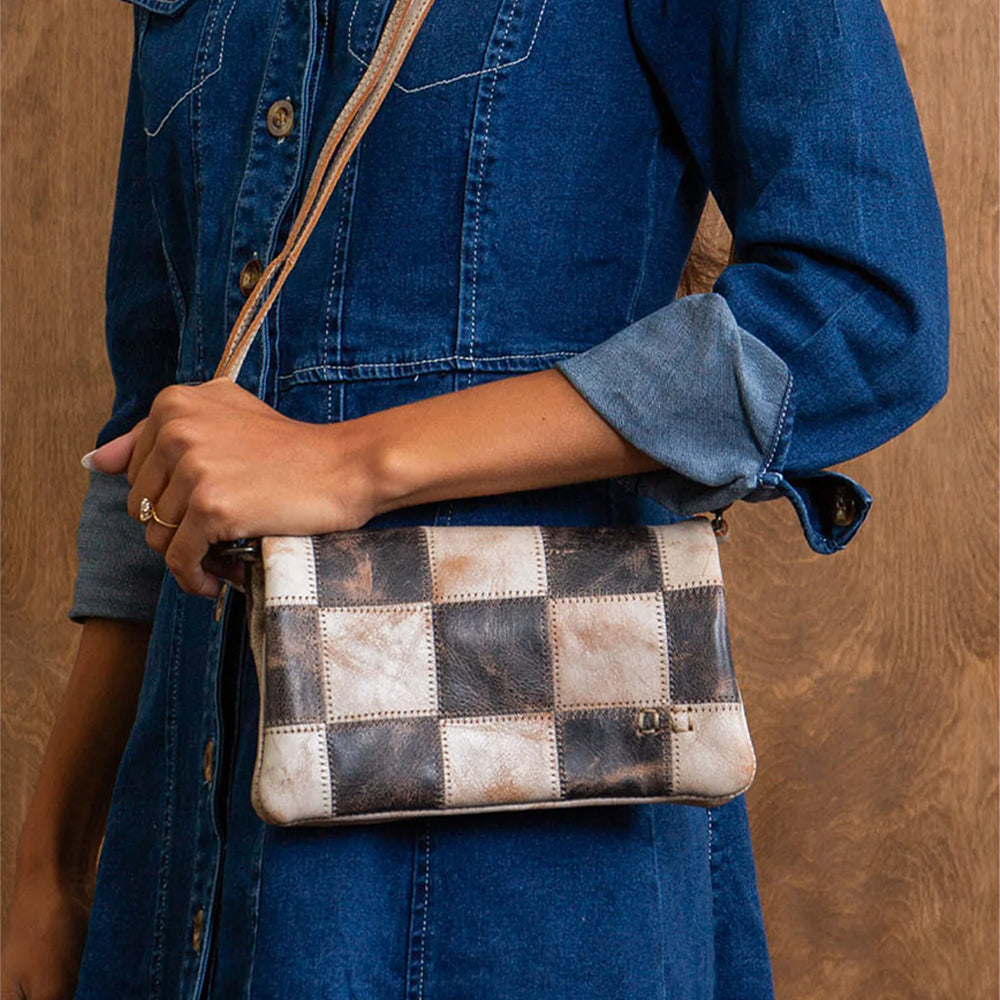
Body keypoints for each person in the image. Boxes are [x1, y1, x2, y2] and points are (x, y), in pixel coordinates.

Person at [2, 0, 949, 996]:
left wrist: (350, 461)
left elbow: (862, 307)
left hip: (527, 872)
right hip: (178, 881)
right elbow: (151, 451)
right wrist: (52, 865)